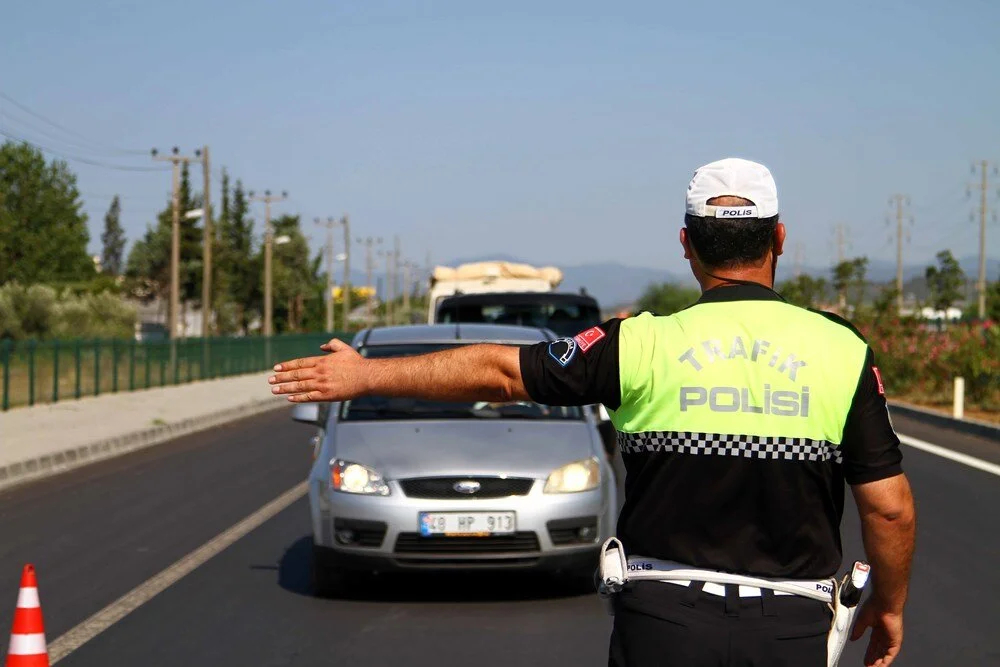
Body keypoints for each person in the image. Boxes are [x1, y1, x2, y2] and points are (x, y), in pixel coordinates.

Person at [268, 157, 916, 667]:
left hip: (664, 624)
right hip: (791, 629)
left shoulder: (637, 342)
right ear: (779, 237)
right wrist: (889, 602)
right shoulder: (842, 352)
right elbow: (888, 506)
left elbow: (499, 371)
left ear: (687, 244)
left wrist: (365, 372)